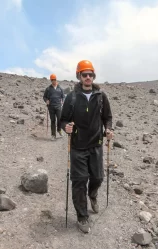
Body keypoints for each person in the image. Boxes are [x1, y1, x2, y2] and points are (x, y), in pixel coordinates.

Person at [60, 60, 113, 233]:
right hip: (77, 147)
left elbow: (107, 117)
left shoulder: (101, 96)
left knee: (97, 177)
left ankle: (93, 195)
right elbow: (63, 119)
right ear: (79, 76)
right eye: (84, 74)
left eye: (90, 74)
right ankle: (82, 217)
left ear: (93, 76)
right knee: (79, 181)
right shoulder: (72, 97)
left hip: (96, 145)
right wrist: (65, 127)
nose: (88, 77)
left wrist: (109, 129)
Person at [43, 74, 65, 140]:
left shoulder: (60, 88)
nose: (53, 81)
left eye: (54, 79)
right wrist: (46, 100)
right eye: (52, 80)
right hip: (51, 107)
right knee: (53, 121)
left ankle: (59, 130)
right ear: (50, 80)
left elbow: (63, 96)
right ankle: (53, 135)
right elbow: (44, 97)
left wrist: (63, 101)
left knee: (59, 119)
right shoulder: (48, 89)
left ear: (56, 79)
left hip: (58, 106)